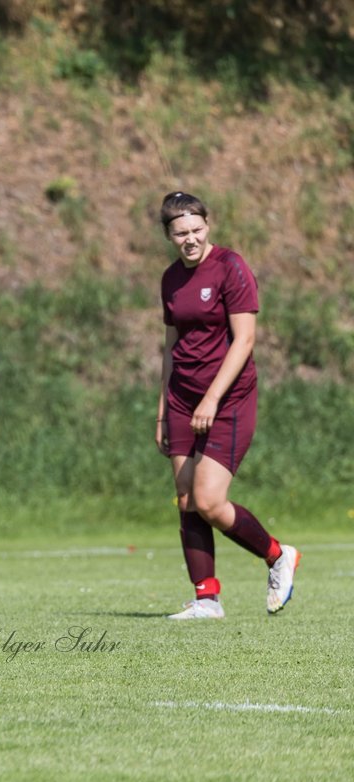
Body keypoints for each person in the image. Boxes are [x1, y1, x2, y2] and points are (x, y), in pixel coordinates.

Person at [155, 191, 300, 619]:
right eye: (180, 233)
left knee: (210, 501)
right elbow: (170, 347)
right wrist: (163, 409)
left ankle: (277, 556)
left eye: (197, 230)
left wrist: (212, 398)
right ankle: (206, 600)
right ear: (168, 234)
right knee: (186, 500)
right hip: (181, 398)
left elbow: (246, 340)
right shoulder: (169, 279)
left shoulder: (230, 267)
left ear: (208, 226)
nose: (190, 239)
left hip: (229, 399)